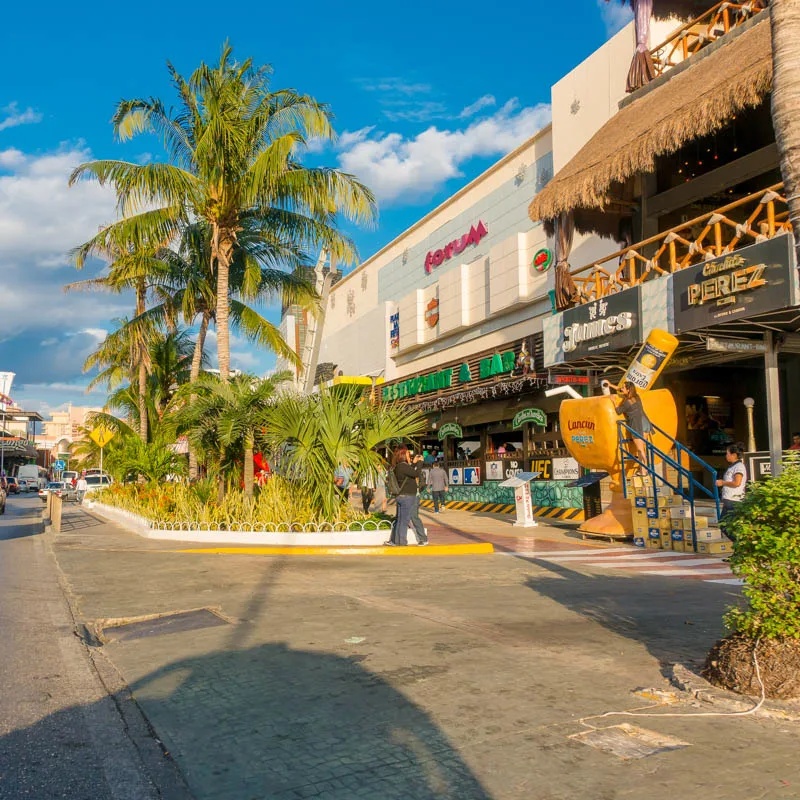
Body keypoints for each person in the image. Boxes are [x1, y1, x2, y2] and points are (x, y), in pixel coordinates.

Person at [386, 445, 427, 546]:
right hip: (407, 497)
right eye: (408, 454)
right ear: (403, 455)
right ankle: (402, 542)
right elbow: (416, 474)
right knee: (404, 521)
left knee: (400, 520)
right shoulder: (403, 466)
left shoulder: (398, 467)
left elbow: (409, 473)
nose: (410, 455)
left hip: (401, 496)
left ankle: (397, 541)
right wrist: (420, 462)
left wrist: (413, 463)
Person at [617, 381, 650, 475]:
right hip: (645, 422)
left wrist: (613, 401)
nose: (621, 389)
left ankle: (645, 468)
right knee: (642, 448)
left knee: (640, 449)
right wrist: (610, 385)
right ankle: (643, 470)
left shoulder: (627, 402)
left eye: (623, 387)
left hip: (637, 425)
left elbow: (618, 411)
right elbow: (620, 390)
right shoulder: (637, 397)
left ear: (628, 390)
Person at [715, 442, 747, 540]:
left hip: (733, 500)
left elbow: (737, 482)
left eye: (727, 454)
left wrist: (723, 483)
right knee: (729, 525)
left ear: (733, 455)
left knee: (723, 524)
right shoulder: (732, 466)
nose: (726, 456)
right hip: (729, 500)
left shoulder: (739, 467)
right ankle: (739, 546)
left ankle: (740, 544)